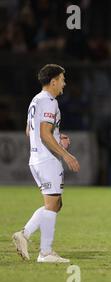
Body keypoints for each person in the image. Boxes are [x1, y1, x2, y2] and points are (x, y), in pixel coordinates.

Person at [12, 64, 80, 263]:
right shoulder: (50, 101)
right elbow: (43, 133)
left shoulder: (35, 100)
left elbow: (29, 131)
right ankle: (45, 252)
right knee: (52, 205)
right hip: (47, 160)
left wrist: (57, 137)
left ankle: (24, 235)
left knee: (56, 203)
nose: (64, 84)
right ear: (53, 81)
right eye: (62, 79)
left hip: (36, 159)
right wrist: (66, 154)